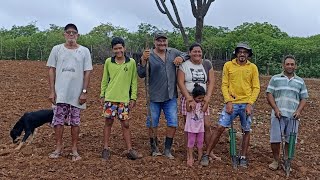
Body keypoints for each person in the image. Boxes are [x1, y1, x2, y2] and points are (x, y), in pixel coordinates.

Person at [200, 42, 260, 167]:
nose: (242, 54)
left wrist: (250, 103)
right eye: (240, 52)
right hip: (232, 102)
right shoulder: (228, 65)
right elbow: (224, 84)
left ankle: (243, 156)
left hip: (246, 103)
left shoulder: (252, 67)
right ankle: (207, 154)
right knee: (220, 127)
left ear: (248, 54)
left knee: (246, 130)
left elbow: (256, 87)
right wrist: (228, 101)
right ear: (236, 53)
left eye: (245, 52)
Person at [47, 23, 93, 161]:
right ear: (64, 35)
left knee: (75, 122)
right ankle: (58, 147)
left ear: (78, 35)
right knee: (58, 121)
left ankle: (74, 149)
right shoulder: (57, 49)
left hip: (76, 94)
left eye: (74, 33)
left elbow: (87, 72)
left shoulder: (84, 51)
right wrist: (52, 91)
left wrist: (84, 92)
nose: (71, 35)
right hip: (60, 93)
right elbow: (51, 70)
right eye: (68, 32)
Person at [137, 31, 186, 159]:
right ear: (155, 42)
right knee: (152, 123)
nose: (162, 43)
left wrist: (181, 58)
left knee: (173, 122)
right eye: (159, 41)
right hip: (154, 96)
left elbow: (186, 54)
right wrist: (143, 60)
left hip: (170, 95)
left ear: (167, 41)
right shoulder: (149, 55)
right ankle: (154, 148)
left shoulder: (172, 52)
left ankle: (167, 149)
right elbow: (141, 73)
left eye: (164, 40)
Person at [100, 37, 141, 160]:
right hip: (110, 97)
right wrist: (102, 95)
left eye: (120, 48)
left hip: (124, 99)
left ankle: (129, 149)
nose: (118, 50)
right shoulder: (108, 62)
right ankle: (106, 148)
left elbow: (134, 81)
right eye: (115, 48)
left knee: (126, 124)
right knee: (108, 122)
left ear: (124, 48)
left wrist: (133, 97)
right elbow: (104, 79)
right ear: (112, 49)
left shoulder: (131, 62)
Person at [177, 43, 219, 160]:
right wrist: (189, 98)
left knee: (206, 125)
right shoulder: (184, 65)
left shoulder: (206, 64)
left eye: (199, 51)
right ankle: (189, 152)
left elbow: (211, 81)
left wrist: (208, 97)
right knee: (189, 126)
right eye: (194, 51)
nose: (197, 54)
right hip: (189, 98)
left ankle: (209, 151)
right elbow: (180, 82)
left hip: (202, 99)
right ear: (189, 53)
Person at [266, 55, 308, 170]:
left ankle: (286, 161)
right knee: (275, 139)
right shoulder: (275, 78)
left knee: (291, 140)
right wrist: (275, 109)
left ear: (295, 66)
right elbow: (269, 94)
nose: (290, 66)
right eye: (287, 64)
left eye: (292, 64)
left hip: (293, 116)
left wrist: (299, 111)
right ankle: (275, 160)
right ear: (283, 65)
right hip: (277, 115)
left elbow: (304, 97)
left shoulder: (300, 81)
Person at [185, 83, 207, 167]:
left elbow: (204, 110)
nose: (201, 99)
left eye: (202, 97)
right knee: (191, 142)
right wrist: (188, 101)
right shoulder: (192, 104)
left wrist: (206, 102)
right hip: (191, 127)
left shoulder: (202, 104)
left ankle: (200, 157)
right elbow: (188, 110)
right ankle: (190, 157)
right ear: (194, 97)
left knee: (200, 142)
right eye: (199, 98)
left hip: (200, 127)